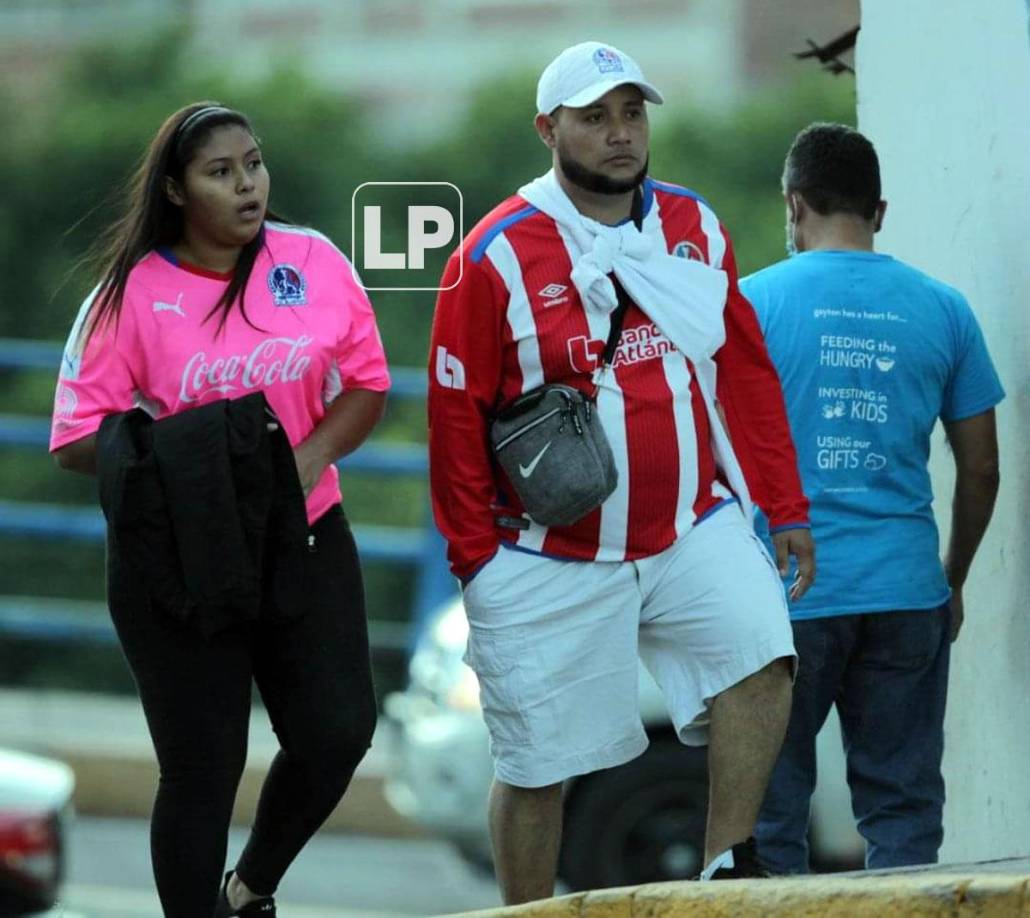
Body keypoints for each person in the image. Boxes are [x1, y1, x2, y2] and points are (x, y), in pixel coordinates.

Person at [427, 42, 816, 904]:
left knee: (764, 657)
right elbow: (454, 415)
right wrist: (473, 561)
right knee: (537, 765)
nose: (618, 134)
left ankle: (725, 869)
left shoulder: (694, 226)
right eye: (594, 116)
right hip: (545, 550)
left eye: (632, 113)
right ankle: (528, 910)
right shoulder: (491, 255)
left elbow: (744, 367)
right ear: (548, 129)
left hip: (690, 524)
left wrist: (783, 506)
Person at [49, 102, 391, 917]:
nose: (248, 185)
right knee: (202, 766)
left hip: (303, 533)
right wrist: (195, 468)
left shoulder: (312, 260)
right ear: (175, 190)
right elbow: (74, 438)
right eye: (221, 172)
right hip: (181, 560)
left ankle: (248, 891)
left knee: (336, 732)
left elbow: (369, 385)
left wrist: (293, 469)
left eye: (255, 163)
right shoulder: (127, 295)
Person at [741, 123, 1004, 872]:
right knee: (903, 810)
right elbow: (981, 468)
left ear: (794, 204)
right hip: (905, 590)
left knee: (769, 813)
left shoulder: (750, 305)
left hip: (782, 595)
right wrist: (950, 579)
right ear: (878, 211)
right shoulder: (944, 309)